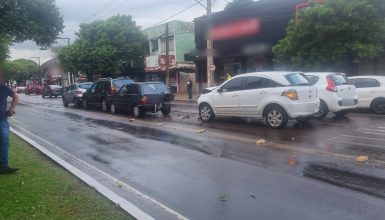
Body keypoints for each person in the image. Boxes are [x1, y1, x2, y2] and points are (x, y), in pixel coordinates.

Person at [0, 72, 19, 174]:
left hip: (1, 119)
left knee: (4, 140)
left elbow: (16, 97)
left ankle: (3, 165)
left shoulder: (3, 87)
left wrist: (11, 109)